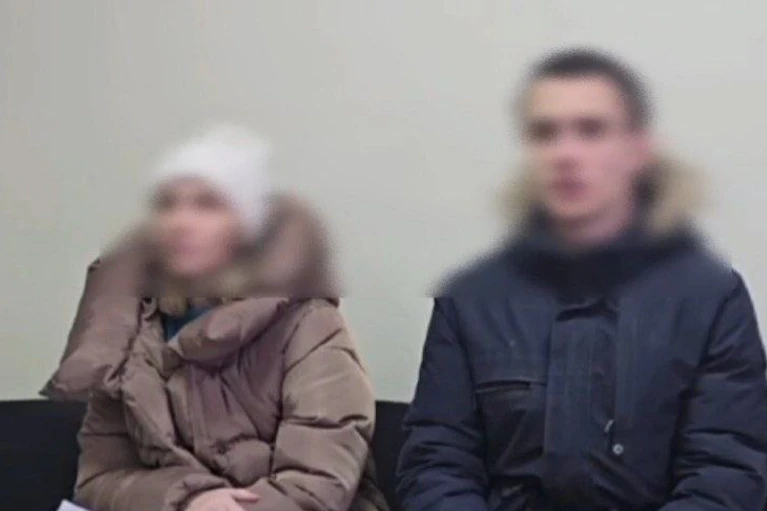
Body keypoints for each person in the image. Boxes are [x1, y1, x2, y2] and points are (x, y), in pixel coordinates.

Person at [396, 49, 767, 511]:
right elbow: (437, 462)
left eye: (591, 130)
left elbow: (725, 473)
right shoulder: (472, 299)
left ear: (637, 152)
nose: (566, 154)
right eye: (545, 134)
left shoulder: (709, 298)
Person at [42, 125, 388, 511]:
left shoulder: (309, 325)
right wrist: (189, 498)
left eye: (207, 205)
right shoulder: (129, 328)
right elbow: (99, 479)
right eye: (168, 205)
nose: (180, 222)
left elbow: (317, 486)